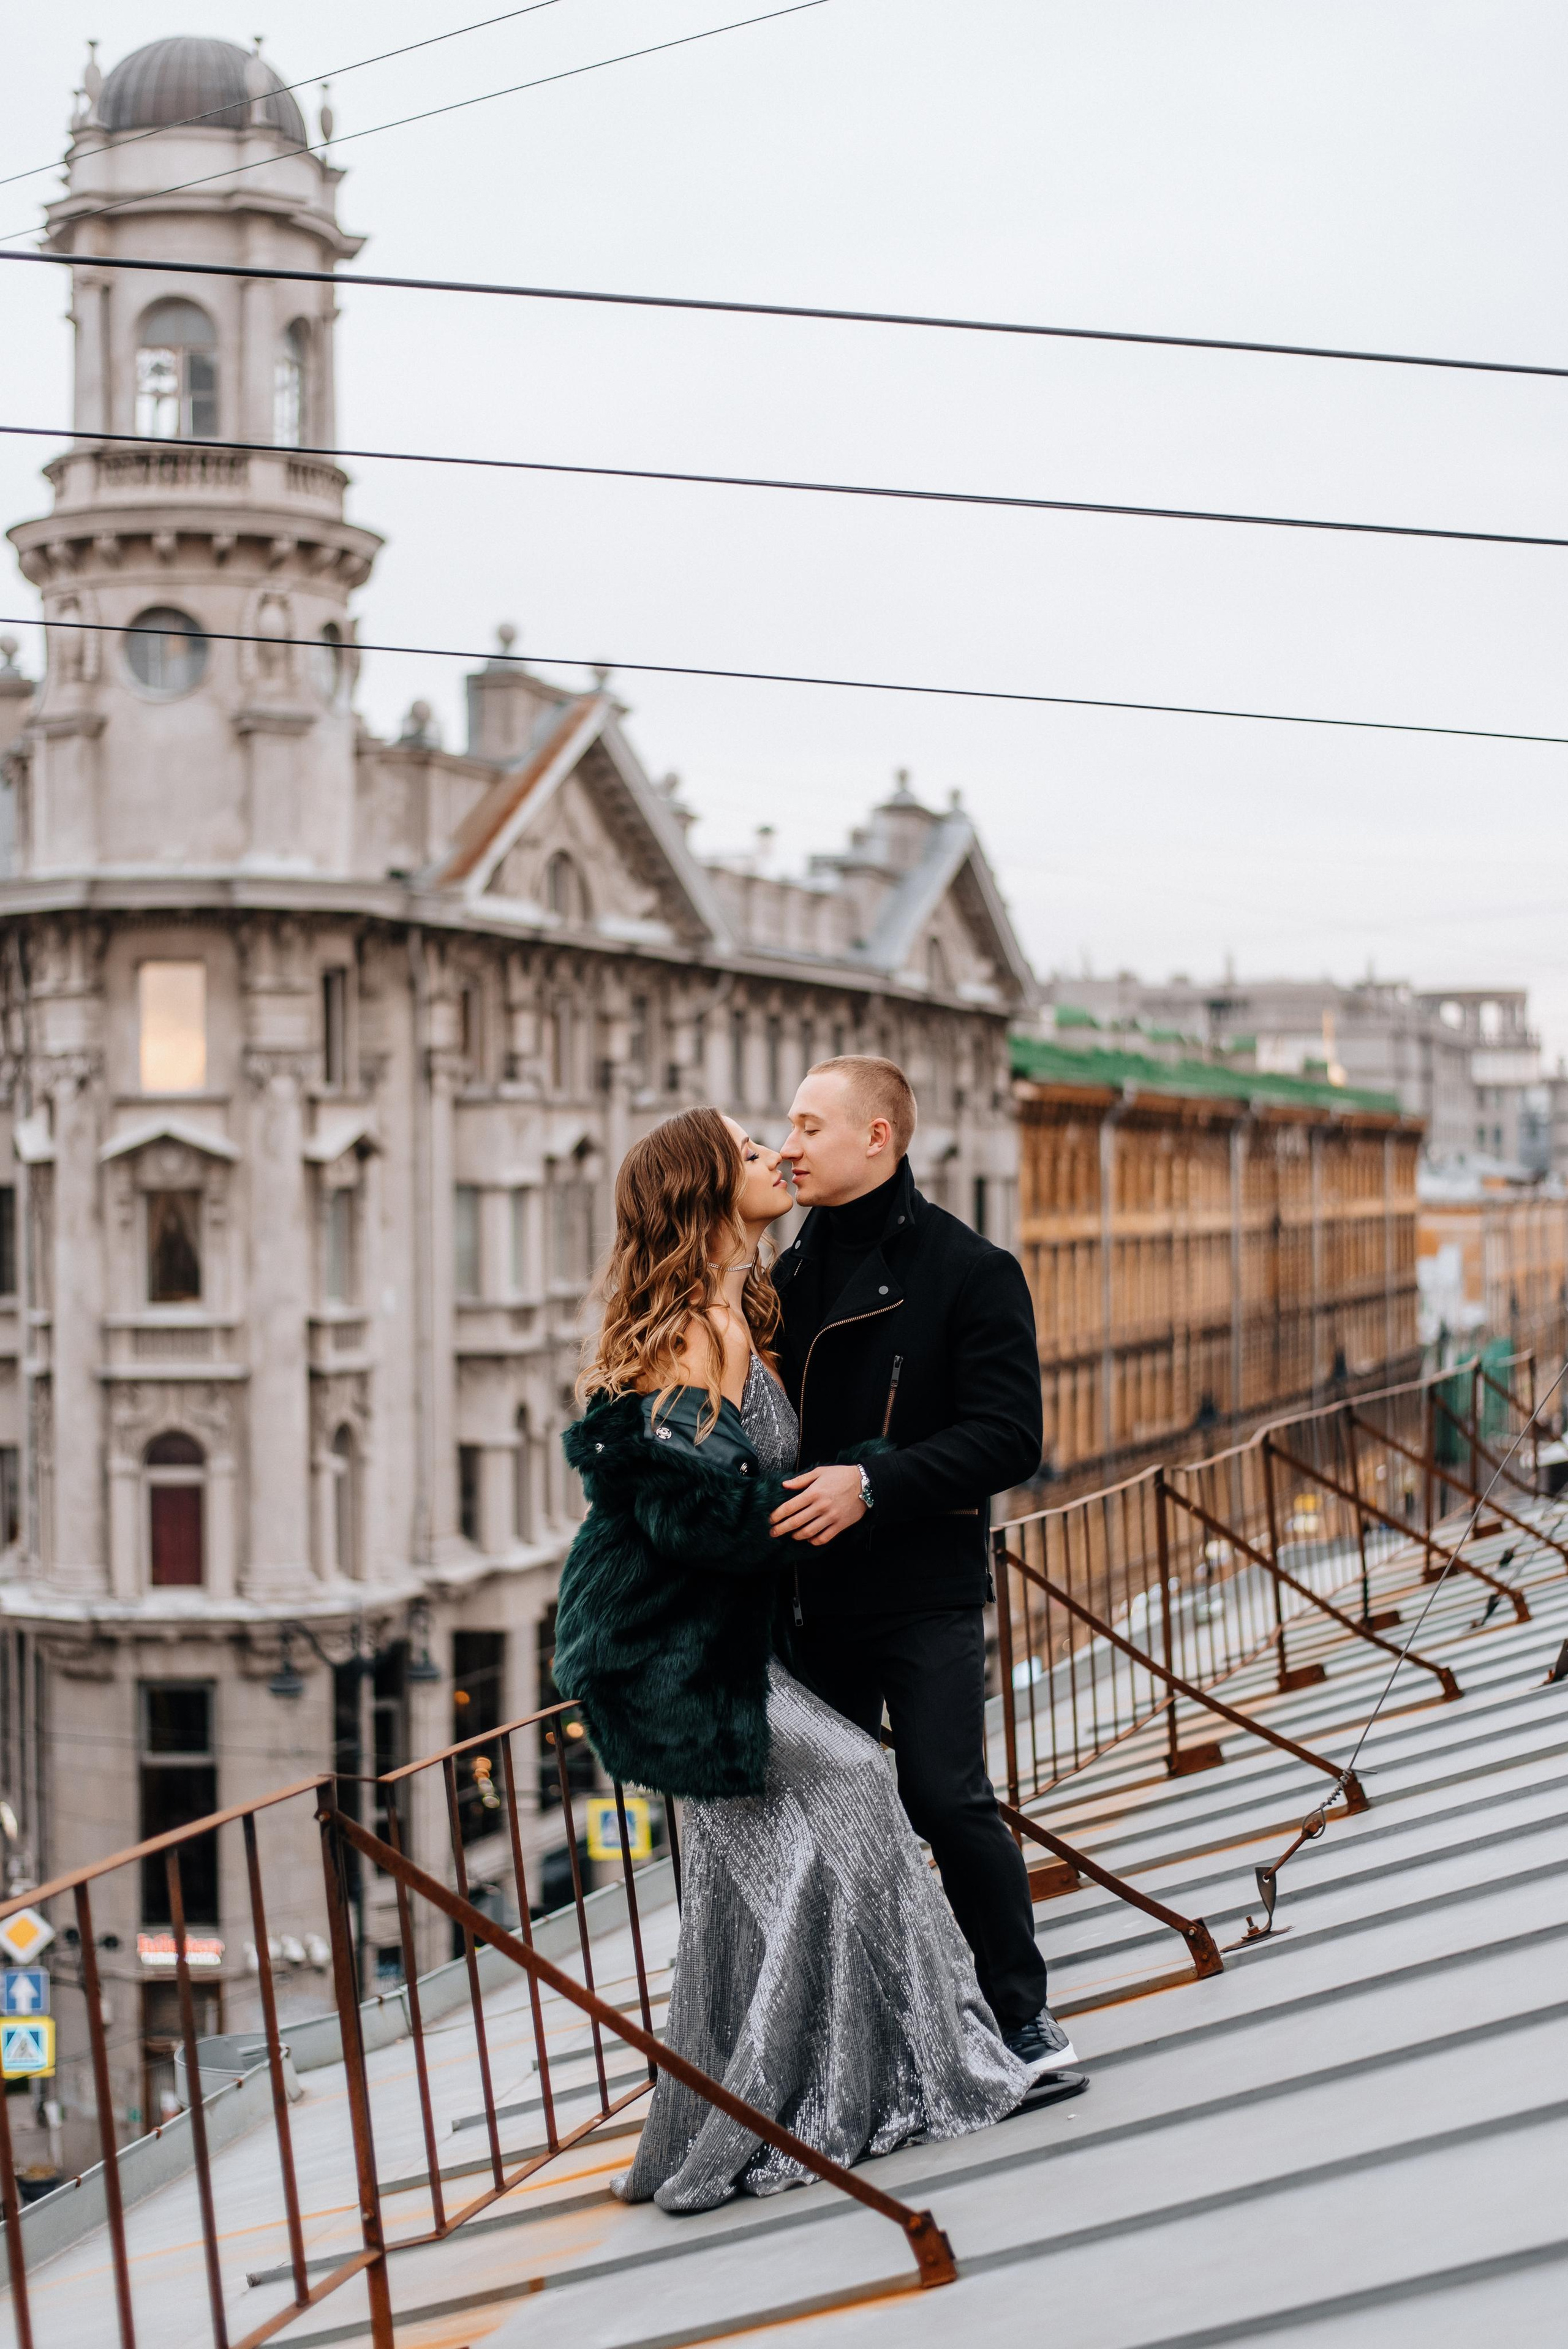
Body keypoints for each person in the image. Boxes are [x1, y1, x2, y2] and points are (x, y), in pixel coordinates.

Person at [551, 1108, 1080, 2216]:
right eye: (753, 1149)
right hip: (671, 1657)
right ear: (705, 1191)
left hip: (725, 1641)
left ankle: (790, 2092)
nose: (777, 1156)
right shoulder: (696, 1330)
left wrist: (861, 1479)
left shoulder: (745, 1304)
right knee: (854, 1783)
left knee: (770, 1880)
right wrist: (851, 1485)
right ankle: (930, 2066)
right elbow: (694, 1517)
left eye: (790, 1133)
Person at [769, 1055, 1074, 2077]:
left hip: (921, 1589)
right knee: (834, 1822)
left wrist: (873, 1483)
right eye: (788, 1126)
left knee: (946, 1798)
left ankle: (1019, 2012)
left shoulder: (970, 1269)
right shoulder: (783, 1278)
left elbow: (1010, 1438)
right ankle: (871, 2028)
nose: (790, 1145)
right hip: (810, 1600)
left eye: (812, 1126)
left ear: (878, 1137)